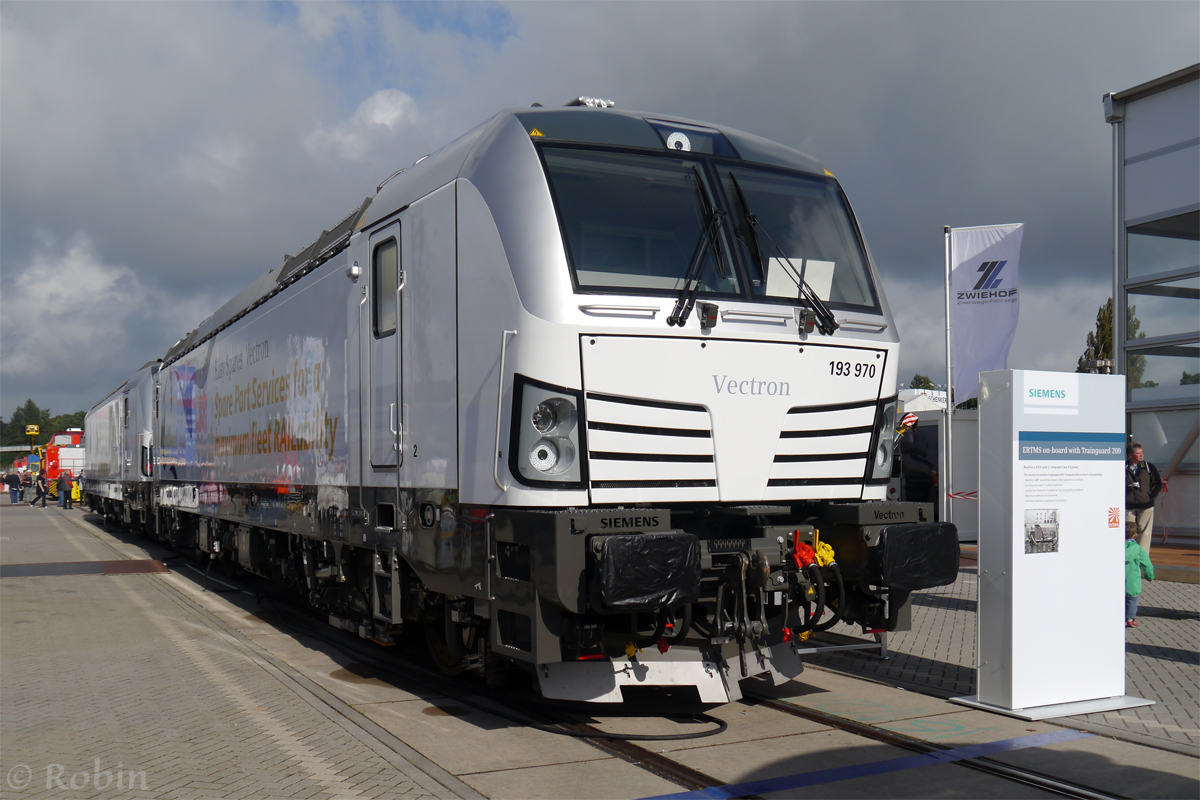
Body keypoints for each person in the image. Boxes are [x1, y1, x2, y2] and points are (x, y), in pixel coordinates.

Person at [1126, 443, 1162, 555]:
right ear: (1130, 455)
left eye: (1142, 453)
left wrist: (1149, 496)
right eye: (1137, 453)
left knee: (1144, 533)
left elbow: (1157, 483)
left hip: (1146, 505)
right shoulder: (1122, 467)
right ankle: (1129, 555)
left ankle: (1142, 556)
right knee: (1128, 531)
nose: (1141, 455)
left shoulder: (1149, 467)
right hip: (1128, 506)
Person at [1125, 520, 1155, 628]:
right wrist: (1149, 576)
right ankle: (1130, 619)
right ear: (1135, 535)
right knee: (1132, 600)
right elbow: (1147, 564)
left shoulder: (1115, 548)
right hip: (1133, 582)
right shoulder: (1138, 549)